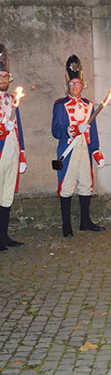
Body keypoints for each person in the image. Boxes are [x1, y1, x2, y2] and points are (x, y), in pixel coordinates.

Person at [52, 54, 105, 237]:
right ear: (68, 85)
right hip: (68, 149)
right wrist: (73, 128)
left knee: (86, 184)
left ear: (83, 85)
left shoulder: (89, 105)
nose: (75, 87)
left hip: (84, 149)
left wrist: (96, 152)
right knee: (66, 186)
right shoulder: (60, 105)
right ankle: (66, 225)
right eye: (72, 84)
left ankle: (85, 222)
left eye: (78, 83)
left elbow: (94, 131)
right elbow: (56, 130)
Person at [0, 44, 27, 250]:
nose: (4, 80)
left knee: (7, 195)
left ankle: (4, 236)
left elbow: (19, 129)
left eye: (6, 76)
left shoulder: (12, 100)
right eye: (1, 76)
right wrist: (2, 127)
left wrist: (22, 155)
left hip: (12, 151)